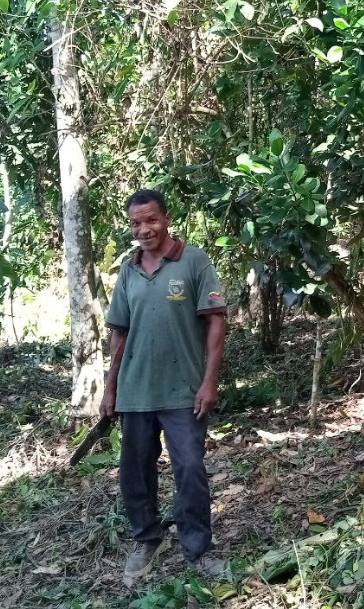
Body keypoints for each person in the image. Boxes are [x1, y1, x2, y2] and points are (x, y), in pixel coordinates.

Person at [100, 189, 227, 578]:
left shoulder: (194, 260)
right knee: (135, 471)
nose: (144, 229)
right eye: (136, 223)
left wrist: (209, 381)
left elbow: (216, 322)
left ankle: (198, 550)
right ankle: (147, 539)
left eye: (151, 220)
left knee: (190, 468)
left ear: (167, 218)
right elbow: (119, 334)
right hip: (135, 391)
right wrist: (110, 388)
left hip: (183, 390)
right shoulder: (128, 270)